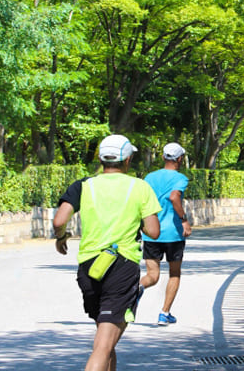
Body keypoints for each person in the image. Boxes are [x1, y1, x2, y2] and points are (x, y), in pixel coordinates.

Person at [53, 134, 162, 371]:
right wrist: (137, 221)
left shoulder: (83, 186)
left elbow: (59, 220)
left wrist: (61, 238)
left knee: (107, 340)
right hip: (121, 268)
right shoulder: (140, 187)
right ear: (127, 160)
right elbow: (153, 231)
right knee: (102, 346)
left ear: (101, 159)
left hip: (89, 268)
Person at [139, 142, 192, 326]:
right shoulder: (181, 178)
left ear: (163, 158)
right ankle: (164, 313)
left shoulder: (149, 178)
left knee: (152, 275)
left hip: (151, 233)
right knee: (174, 273)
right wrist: (184, 219)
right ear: (179, 159)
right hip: (173, 234)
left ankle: (136, 289)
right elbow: (174, 196)